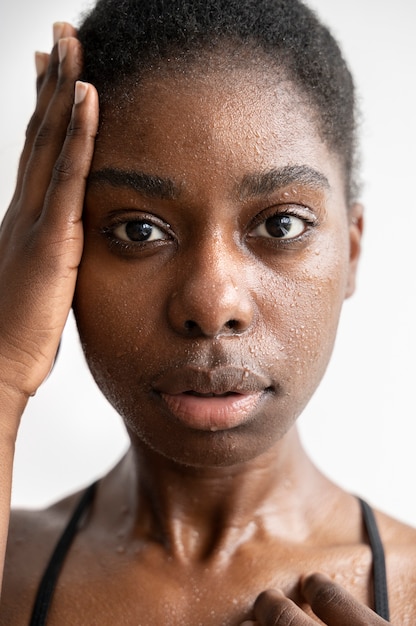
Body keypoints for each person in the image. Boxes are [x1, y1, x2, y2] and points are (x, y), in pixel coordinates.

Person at [0, 0, 415, 623]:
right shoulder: (12, 569)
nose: (212, 303)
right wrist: (3, 367)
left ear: (351, 251)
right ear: (55, 250)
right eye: (139, 230)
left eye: (281, 223)